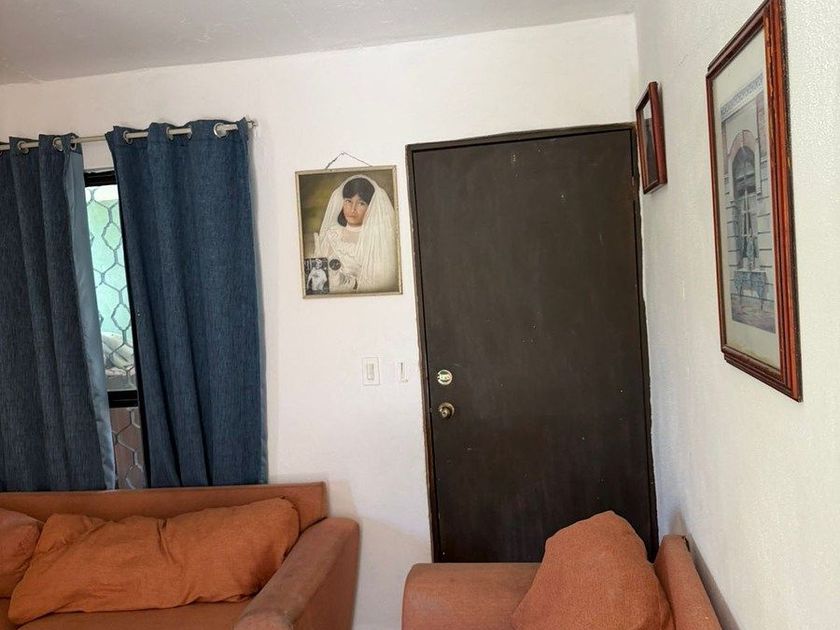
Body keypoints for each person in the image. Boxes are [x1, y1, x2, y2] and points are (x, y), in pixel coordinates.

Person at [313, 175, 398, 293]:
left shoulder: (375, 239)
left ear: (371, 207)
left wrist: (349, 282)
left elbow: (379, 283)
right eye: (348, 201)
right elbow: (317, 283)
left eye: (361, 203)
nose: (352, 209)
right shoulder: (332, 235)